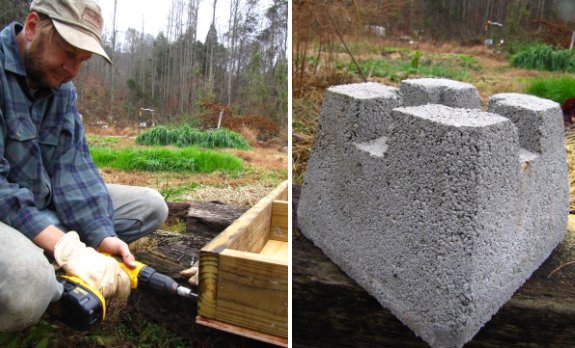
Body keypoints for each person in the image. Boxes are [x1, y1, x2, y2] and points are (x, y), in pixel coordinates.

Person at [0, 0, 169, 332]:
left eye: (82, 60)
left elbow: (74, 169)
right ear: (33, 26)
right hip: (7, 211)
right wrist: (65, 245)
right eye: (68, 52)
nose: (73, 70)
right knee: (26, 286)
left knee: (150, 206)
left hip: (42, 206)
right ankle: (43, 282)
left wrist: (102, 236)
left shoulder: (62, 89)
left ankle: (55, 265)